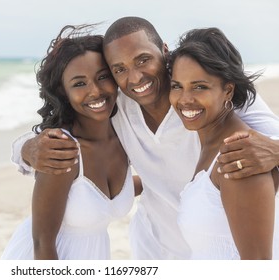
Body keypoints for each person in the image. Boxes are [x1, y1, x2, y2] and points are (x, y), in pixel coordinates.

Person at [14, 17, 279, 259]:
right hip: (155, 246)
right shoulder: (117, 105)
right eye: (119, 69)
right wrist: (27, 149)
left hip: (223, 244)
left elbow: (268, 144)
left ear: (164, 52)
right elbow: (65, 128)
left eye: (143, 60)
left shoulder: (206, 90)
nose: (135, 77)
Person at [1, 25, 139, 260]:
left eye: (103, 77)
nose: (95, 91)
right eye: (79, 83)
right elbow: (42, 243)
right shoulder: (61, 150)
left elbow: (105, 197)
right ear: (63, 92)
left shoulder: (124, 135)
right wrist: (26, 148)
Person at [169, 27, 279, 259]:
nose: (185, 99)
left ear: (227, 90)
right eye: (177, 86)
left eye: (200, 86)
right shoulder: (211, 145)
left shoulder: (240, 156)